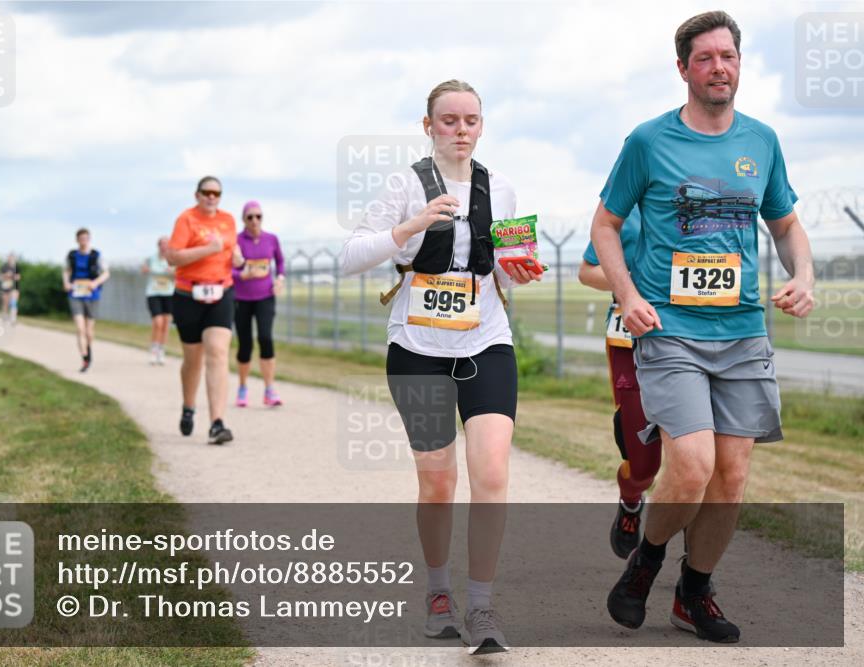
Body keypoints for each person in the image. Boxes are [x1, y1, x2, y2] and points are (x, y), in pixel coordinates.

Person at [592, 11, 815, 644]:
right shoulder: (648, 141)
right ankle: (648, 561)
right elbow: (604, 225)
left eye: (729, 56)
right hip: (670, 330)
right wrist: (628, 294)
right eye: (706, 58)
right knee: (690, 465)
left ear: (740, 64)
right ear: (684, 68)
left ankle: (694, 593)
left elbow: (786, 224)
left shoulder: (762, 141)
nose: (720, 67)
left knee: (732, 475)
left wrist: (804, 275)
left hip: (743, 331)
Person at [339, 80, 542, 655]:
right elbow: (352, 256)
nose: (460, 129)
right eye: (448, 120)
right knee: (437, 480)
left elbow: (506, 266)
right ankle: (437, 591)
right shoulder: (404, 183)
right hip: (418, 349)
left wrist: (519, 270)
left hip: (486, 342)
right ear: (428, 126)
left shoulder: (499, 188)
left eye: (471, 120)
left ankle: (481, 607)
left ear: (482, 126)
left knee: (493, 473)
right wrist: (410, 226)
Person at [579, 207, 662, 558]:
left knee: (699, 460)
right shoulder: (622, 206)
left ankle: (696, 558)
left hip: (697, 330)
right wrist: (628, 280)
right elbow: (587, 272)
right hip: (631, 337)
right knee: (644, 465)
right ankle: (631, 501)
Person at [165, 176, 240, 444]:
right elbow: (173, 257)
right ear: (197, 195)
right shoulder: (186, 220)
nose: (212, 197)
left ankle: (217, 423)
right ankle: (188, 407)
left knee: (218, 352)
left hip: (221, 292)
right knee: (192, 360)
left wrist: (238, 256)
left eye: (217, 193)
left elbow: (232, 247)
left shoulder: (229, 220)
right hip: (188, 294)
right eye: (207, 192)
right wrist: (208, 249)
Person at [233, 201, 286, 407]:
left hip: (265, 296)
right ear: (244, 219)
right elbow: (228, 269)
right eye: (250, 217)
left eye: (258, 216)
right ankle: (243, 387)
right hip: (241, 299)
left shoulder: (271, 239)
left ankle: (269, 389)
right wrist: (242, 274)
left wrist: (280, 278)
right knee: (245, 344)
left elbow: (280, 262)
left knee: (265, 337)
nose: (254, 220)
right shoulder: (236, 241)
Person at [63, 228, 110, 372]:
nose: (83, 241)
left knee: (89, 330)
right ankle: (84, 358)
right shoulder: (72, 255)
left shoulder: (97, 255)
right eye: (81, 238)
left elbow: (106, 273)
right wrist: (66, 283)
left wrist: (95, 283)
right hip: (75, 294)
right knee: (80, 327)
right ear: (77, 240)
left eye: (86, 238)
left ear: (89, 239)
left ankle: (88, 350)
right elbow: (67, 271)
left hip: (92, 294)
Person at [142, 237, 175, 365]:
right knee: (158, 322)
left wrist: (172, 272)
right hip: (154, 293)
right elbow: (143, 270)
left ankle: (161, 349)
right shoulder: (151, 259)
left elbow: (179, 274)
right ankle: (154, 349)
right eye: (162, 244)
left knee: (166, 324)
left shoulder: (173, 259)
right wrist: (147, 270)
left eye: (167, 244)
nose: (164, 246)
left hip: (169, 293)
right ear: (158, 245)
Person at [0, 253, 21, 325]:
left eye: (12, 258)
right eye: (10, 258)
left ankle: (13, 319)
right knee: (6, 303)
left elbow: (18, 277)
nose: (11, 259)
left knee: (13, 303)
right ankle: (5, 317)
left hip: (15, 287)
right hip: (6, 287)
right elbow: (1, 276)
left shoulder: (17, 267)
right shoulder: (4, 266)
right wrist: (7, 275)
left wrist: (11, 275)